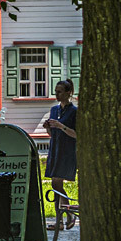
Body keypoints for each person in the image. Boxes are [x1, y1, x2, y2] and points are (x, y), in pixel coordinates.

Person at [43, 78, 78, 230]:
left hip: (67, 151)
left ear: (68, 93)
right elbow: (52, 133)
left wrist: (61, 126)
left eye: (60, 92)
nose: (56, 95)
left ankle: (66, 215)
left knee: (57, 184)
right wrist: (48, 127)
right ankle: (62, 219)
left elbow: (77, 134)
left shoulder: (74, 112)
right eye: (55, 92)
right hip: (55, 149)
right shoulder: (54, 110)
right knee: (55, 184)